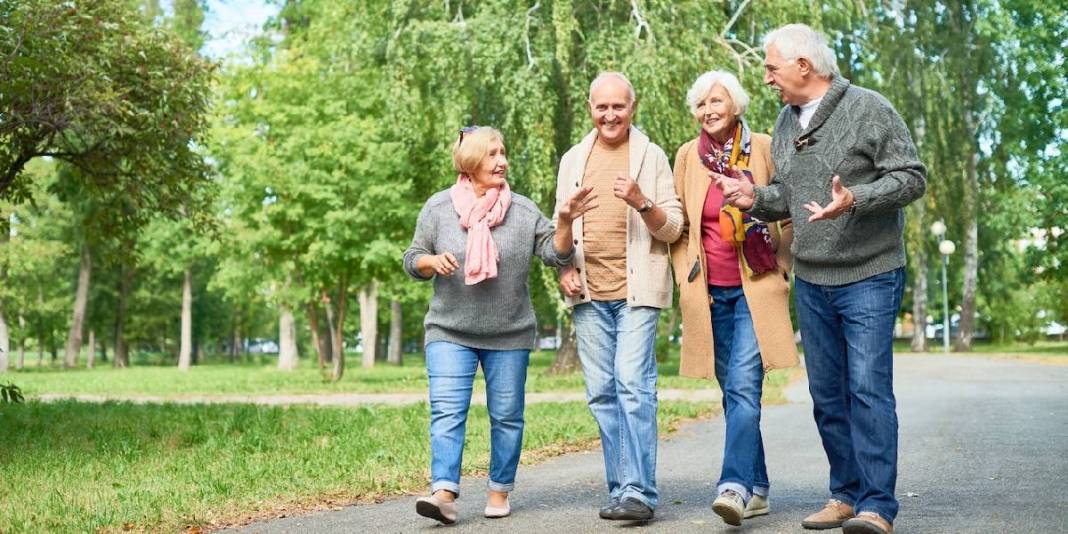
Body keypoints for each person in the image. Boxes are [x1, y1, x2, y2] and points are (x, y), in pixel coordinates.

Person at [716, 24, 927, 534]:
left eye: (772, 67)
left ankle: (878, 505)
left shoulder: (869, 108)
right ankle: (846, 495)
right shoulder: (786, 121)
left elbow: (911, 177)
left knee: (868, 389)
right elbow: (788, 196)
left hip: (869, 274)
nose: (766, 78)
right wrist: (755, 199)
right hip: (812, 278)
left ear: (803, 67)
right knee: (827, 393)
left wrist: (855, 198)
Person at [403, 126, 596, 525]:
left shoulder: (522, 211)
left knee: (507, 415)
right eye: (492, 154)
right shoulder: (439, 208)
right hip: (449, 330)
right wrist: (431, 262)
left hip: (508, 333)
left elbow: (555, 255)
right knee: (447, 412)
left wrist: (562, 222)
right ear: (471, 162)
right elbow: (412, 257)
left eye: (503, 152)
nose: (502, 160)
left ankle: (499, 489)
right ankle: (443, 493)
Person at [669, 70, 799, 526]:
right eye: (701, 103)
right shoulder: (688, 156)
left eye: (716, 101)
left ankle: (734, 486)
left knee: (744, 386)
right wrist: (684, 277)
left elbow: (788, 205)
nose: (708, 110)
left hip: (755, 286)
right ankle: (758, 484)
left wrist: (782, 264)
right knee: (733, 393)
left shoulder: (762, 147)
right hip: (709, 292)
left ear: (736, 105)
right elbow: (681, 224)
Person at [554, 72, 683, 521]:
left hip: (637, 290)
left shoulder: (650, 156)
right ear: (591, 107)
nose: (610, 115)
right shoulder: (572, 159)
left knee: (632, 383)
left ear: (633, 107)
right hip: (589, 293)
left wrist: (642, 201)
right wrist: (564, 266)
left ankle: (640, 493)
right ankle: (621, 489)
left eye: (618, 107)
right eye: (601, 107)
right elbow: (559, 238)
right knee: (602, 394)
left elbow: (674, 228)